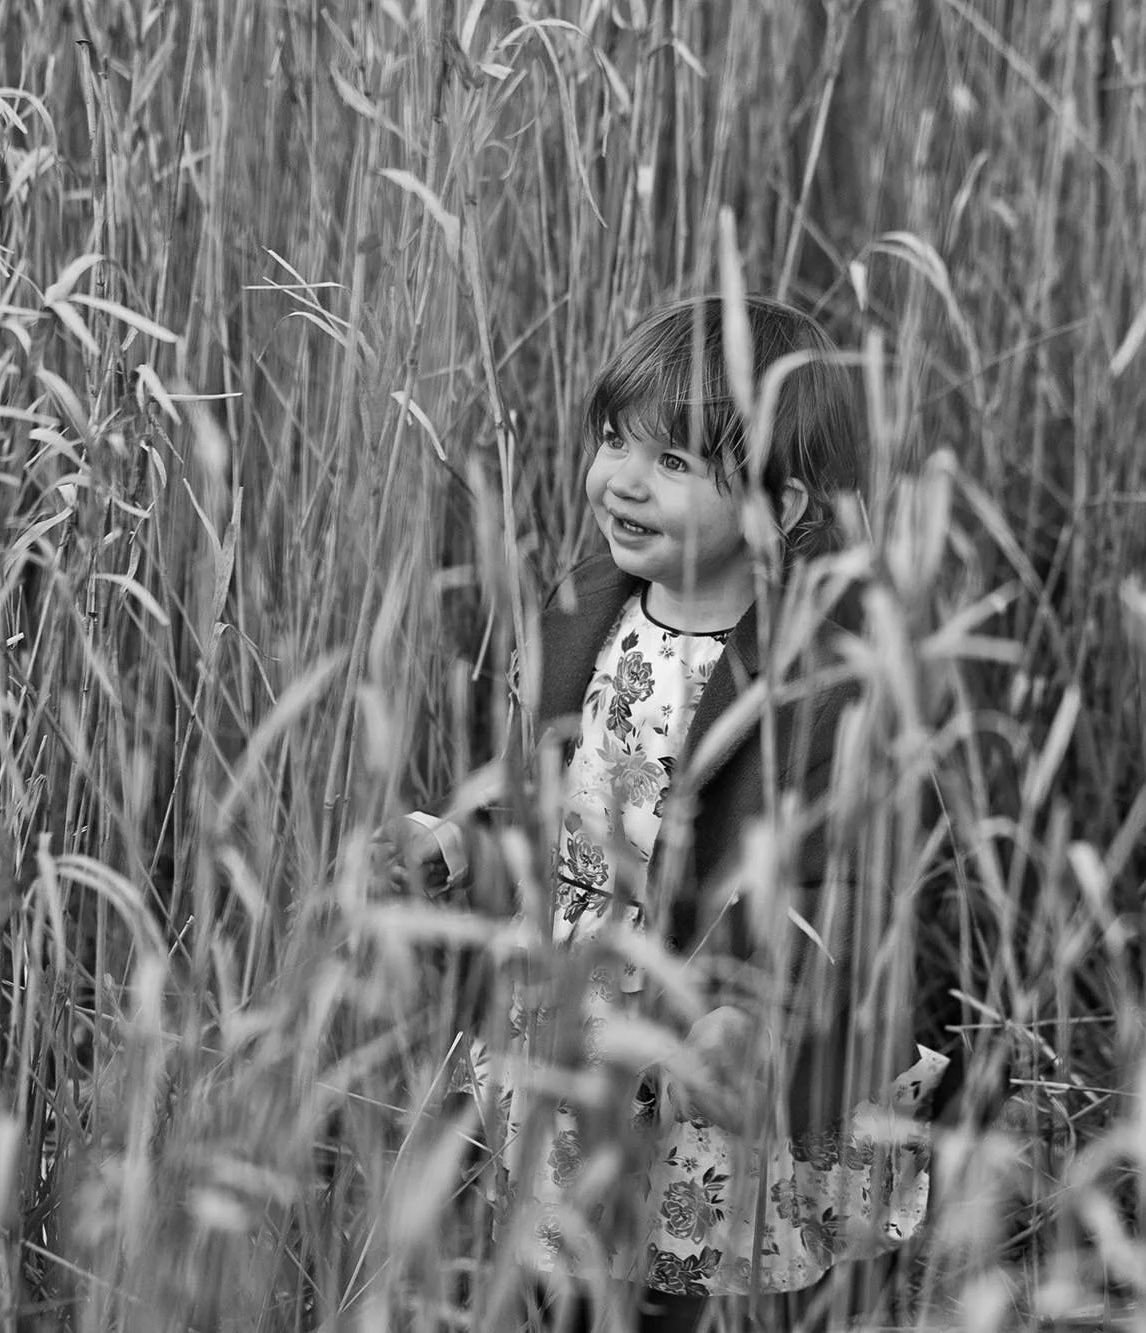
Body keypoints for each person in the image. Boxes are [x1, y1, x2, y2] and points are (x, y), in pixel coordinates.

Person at [379, 295, 948, 1332]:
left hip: (712, 1024)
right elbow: (546, 800)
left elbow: (837, 874)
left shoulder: (825, 667)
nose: (622, 481)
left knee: (691, 1274)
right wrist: (460, 844)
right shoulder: (588, 607)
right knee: (554, 1253)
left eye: (676, 464)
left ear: (780, 508)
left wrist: (744, 1007)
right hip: (566, 1000)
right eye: (611, 441)